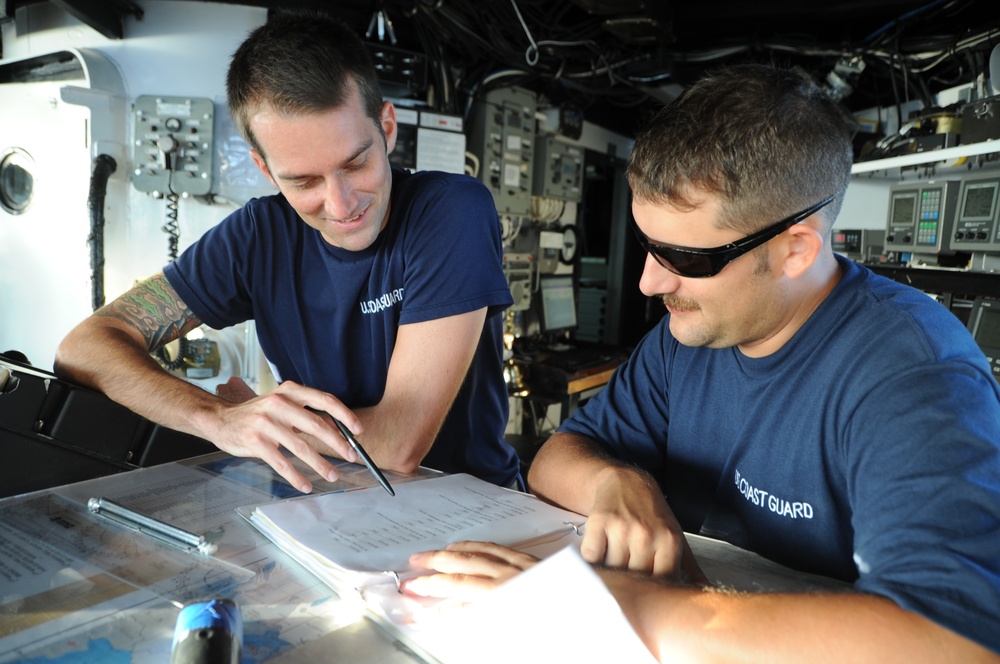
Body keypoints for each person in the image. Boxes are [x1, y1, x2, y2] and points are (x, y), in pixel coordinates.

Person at [401, 64, 1000, 661]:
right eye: (648, 246)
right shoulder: (684, 340)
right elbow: (557, 458)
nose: (648, 282)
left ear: (796, 250)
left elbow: (957, 641)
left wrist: (615, 608)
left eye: (685, 257)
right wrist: (619, 482)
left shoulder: (913, 374)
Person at [54, 10, 519, 493]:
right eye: (304, 181)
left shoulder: (450, 213)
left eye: (356, 163)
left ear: (387, 127)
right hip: (330, 510)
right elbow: (84, 347)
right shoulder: (257, 236)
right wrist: (219, 418)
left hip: (471, 517)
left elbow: (398, 445)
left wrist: (263, 421)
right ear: (265, 169)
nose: (341, 205)